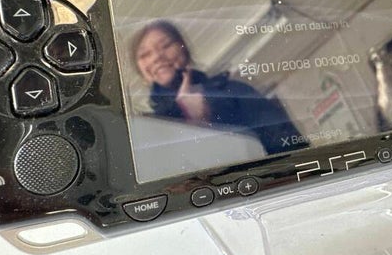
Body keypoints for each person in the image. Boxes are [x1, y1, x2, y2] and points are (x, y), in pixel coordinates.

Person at [130, 20, 307, 155]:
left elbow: (288, 145)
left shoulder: (233, 91)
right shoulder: (151, 128)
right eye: (145, 54)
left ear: (184, 50)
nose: (156, 57)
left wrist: (212, 120)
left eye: (166, 45)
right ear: (142, 73)